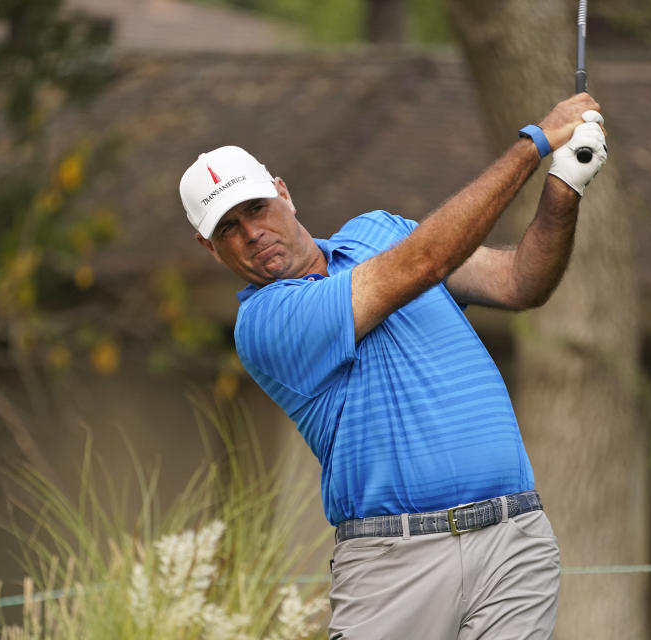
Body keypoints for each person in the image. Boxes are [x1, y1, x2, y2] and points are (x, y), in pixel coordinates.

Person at [179, 93, 608, 640]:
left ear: (283, 193)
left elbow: (520, 280)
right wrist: (536, 143)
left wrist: (564, 185)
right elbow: (427, 260)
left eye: (256, 208)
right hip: (392, 563)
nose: (251, 233)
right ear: (210, 248)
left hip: (513, 543)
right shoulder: (265, 323)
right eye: (228, 228)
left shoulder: (379, 231)